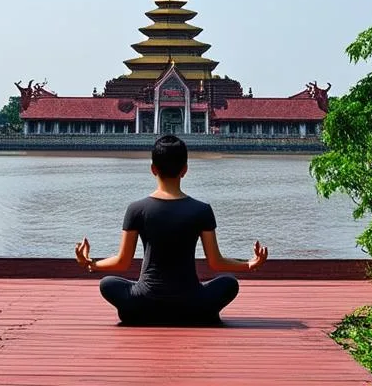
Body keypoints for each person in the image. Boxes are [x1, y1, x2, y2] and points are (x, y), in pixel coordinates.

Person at [73, 134, 269, 325]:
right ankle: (197, 313)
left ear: (152, 169)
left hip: (146, 298)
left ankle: (138, 313)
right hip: (191, 301)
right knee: (229, 283)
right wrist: (250, 264)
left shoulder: (136, 209)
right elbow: (216, 262)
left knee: (107, 284)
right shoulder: (201, 210)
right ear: (185, 170)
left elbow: (122, 262)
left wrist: (91, 263)